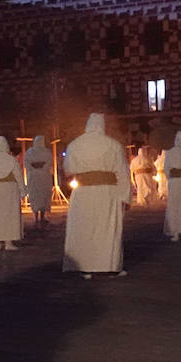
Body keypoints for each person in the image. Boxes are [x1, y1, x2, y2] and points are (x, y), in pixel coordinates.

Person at [63, 113, 131, 278]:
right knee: (107, 229)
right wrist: (125, 196)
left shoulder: (74, 146)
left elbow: (68, 170)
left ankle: (85, 267)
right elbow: (122, 172)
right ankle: (109, 266)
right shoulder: (113, 145)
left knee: (85, 229)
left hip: (83, 193)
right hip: (107, 192)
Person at [23, 134, 54, 227]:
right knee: (38, 195)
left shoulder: (30, 152)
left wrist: (35, 169)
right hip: (40, 176)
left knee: (42, 195)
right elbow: (26, 162)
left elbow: (49, 161)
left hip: (38, 176)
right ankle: (38, 216)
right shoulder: (33, 152)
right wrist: (40, 169)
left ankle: (40, 216)